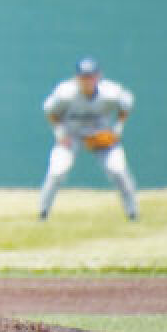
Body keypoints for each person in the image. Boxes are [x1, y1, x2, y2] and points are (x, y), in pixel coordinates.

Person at [38, 57, 139, 221]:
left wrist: (118, 129)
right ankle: (43, 214)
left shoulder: (110, 92)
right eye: (84, 77)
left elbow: (127, 104)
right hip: (72, 135)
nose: (88, 81)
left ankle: (133, 213)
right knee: (57, 171)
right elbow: (50, 110)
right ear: (77, 78)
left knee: (119, 170)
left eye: (91, 76)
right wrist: (59, 133)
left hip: (101, 136)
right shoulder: (65, 93)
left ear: (99, 76)